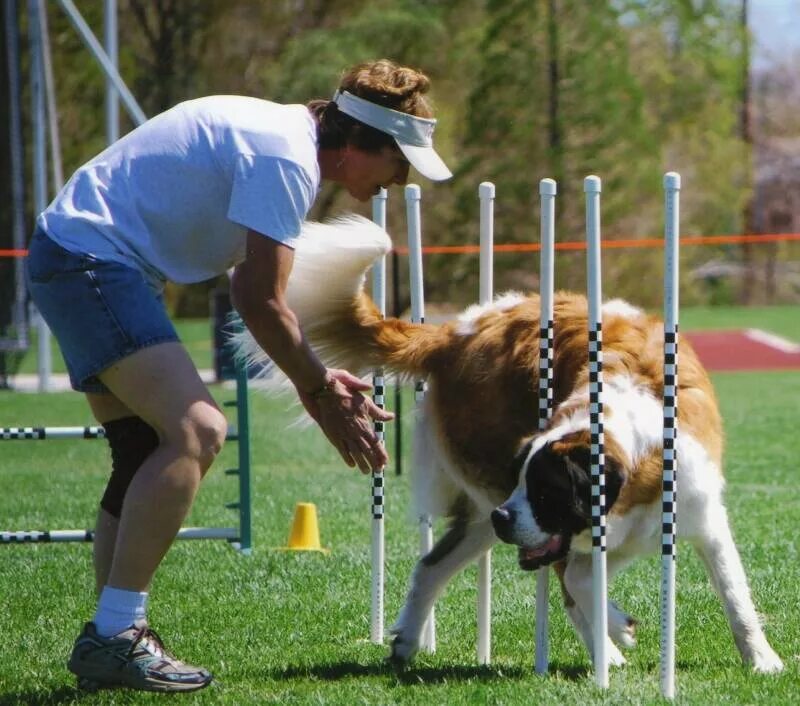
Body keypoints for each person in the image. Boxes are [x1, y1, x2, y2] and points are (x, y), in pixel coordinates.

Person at [25, 58, 452, 693]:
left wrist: (318, 380)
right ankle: (116, 634)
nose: (398, 179)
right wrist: (319, 389)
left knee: (141, 448)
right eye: (399, 161)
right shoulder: (286, 157)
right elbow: (260, 299)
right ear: (362, 143)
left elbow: (250, 288)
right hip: (92, 261)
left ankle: (111, 636)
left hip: (81, 256)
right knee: (198, 430)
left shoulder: (284, 140)